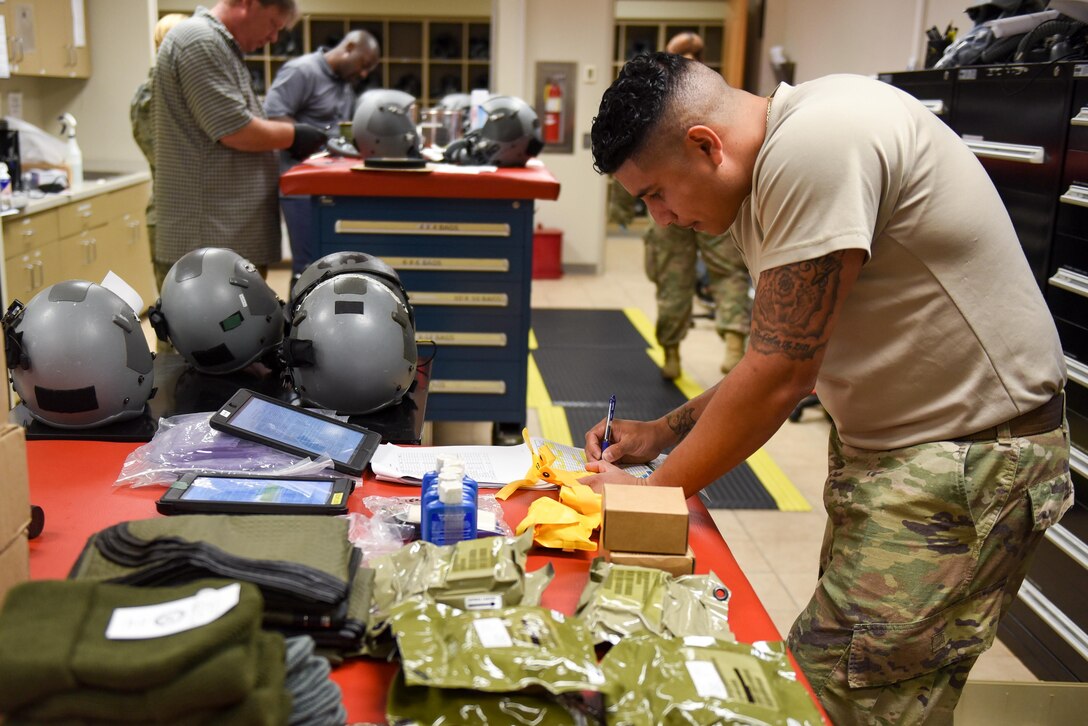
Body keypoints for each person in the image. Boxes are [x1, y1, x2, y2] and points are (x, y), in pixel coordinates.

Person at [584, 52, 1072, 724]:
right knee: (875, 688)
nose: (662, 219)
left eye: (657, 194)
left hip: (963, 463)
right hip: (911, 454)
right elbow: (783, 352)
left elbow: (782, 377)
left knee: (836, 700)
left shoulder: (815, 146)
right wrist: (662, 434)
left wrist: (646, 498)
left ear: (705, 146)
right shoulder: (777, 165)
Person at [152, 0, 327, 283]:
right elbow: (236, 130)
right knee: (209, 327)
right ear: (248, 3)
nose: (273, 38)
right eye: (272, 24)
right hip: (208, 247)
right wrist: (295, 135)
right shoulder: (199, 41)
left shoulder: (221, 47)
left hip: (227, 242)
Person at [644, 31, 751, 379]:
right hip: (714, 199)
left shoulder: (658, 96)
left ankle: (672, 352)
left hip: (683, 200)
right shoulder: (716, 91)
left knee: (674, 277)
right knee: (726, 272)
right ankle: (733, 343)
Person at [264, 30, 381, 276]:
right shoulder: (301, 71)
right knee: (307, 268)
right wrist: (307, 141)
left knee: (331, 265)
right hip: (301, 186)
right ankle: (299, 314)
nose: (363, 74)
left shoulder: (345, 85)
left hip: (332, 185)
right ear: (349, 47)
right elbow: (274, 116)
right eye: (363, 64)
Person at [130, 13, 188, 295]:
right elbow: (166, 157)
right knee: (174, 312)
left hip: (193, 217)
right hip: (171, 214)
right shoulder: (151, 96)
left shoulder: (183, 92)